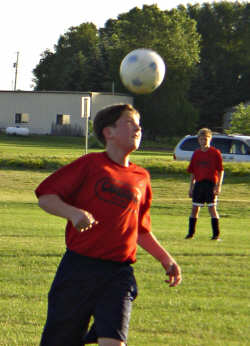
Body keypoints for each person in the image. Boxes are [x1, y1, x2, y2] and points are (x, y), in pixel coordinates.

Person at [35, 103, 182, 346]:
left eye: (139, 123)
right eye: (129, 122)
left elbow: (141, 230)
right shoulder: (91, 164)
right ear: (108, 132)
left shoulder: (141, 177)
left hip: (118, 273)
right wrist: (72, 213)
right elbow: (46, 197)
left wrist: (166, 260)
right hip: (78, 268)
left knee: (114, 342)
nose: (138, 128)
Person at [185, 128, 224, 240]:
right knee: (194, 209)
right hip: (199, 184)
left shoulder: (215, 153)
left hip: (211, 184)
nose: (204, 141)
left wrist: (218, 186)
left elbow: (221, 170)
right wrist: (191, 187)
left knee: (212, 209)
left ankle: (216, 235)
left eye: (206, 139)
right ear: (198, 140)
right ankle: (190, 234)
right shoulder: (196, 154)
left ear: (210, 139)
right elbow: (192, 172)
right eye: (201, 139)